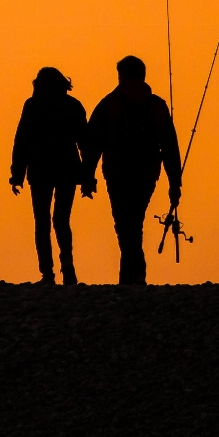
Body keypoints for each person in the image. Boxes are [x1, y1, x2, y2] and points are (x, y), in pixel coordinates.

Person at [81, 55, 181, 285]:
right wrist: (175, 183)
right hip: (147, 173)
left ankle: (132, 278)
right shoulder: (157, 105)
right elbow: (169, 146)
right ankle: (133, 277)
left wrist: (88, 177)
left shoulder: (110, 103)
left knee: (125, 224)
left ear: (122, 75)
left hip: (117, 172)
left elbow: (92, 142)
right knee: (135, 220)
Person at [10, 67, 88, 285]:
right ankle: (68, 264)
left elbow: (21, 142)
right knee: (62, 219)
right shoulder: (73, 105)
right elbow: (85, 143)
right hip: (68, 170)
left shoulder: (32, 105)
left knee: (42, 221)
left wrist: (17, 174)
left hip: (40, 170)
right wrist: (87, 177)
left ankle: (48, 273)